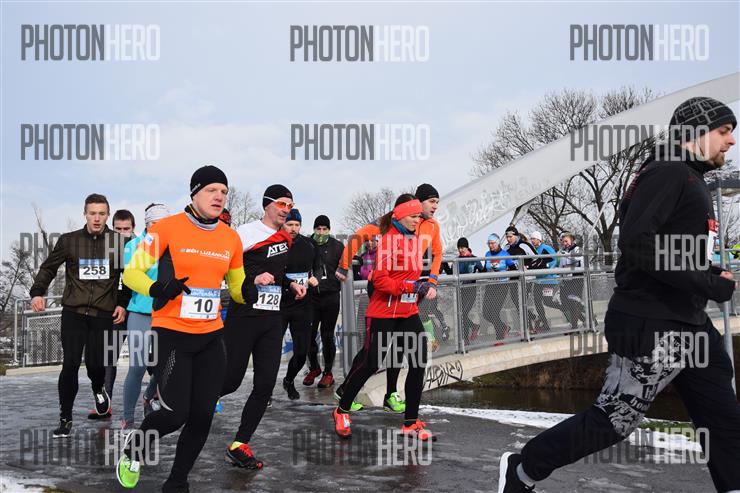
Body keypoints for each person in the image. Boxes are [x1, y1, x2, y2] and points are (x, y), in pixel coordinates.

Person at [497, 96, 739, 492]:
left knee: (723, 420)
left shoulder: (688, 177)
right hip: (652, 320)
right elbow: (638, 243)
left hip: (691, 323)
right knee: (614, 420)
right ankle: (523, 470)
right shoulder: (669, 172)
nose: (731, 141)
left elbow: (672, 251)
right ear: (695, 132)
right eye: (724, 131)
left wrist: (710, 273)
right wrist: (710, 284)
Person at [116, 166, 246, 492]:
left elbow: (237, 287)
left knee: (203, 416)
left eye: (224, 191)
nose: (219, 196)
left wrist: (249, 292)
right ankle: (134, 449)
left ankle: (177, 482)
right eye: (211, 190)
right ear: (195, 193)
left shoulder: (230, 237)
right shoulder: (167, 229)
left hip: (211, 336)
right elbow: (132, 273)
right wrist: (158, 288)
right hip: (172, 333)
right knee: (175, 414)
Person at [334, 184, 444, 413]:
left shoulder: (432, 226)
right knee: (374, 352)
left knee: (402, 346)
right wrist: (344, 266)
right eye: (431, 201)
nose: (435, 206)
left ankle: (391, 394)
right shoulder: (394, 224)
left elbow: (438, 253)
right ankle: (346, 390)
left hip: (411, 290)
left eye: (437, 202)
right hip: (385, 289)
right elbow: (356, 238)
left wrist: (432, 280)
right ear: (417, 203)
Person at [30, 194, 130, 438]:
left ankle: (98, 388)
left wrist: (122, 303)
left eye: (102, 214)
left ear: (107, 215)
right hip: (73, 312)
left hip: (102, 314)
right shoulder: (69, 240)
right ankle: (65, 418)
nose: (97, 218)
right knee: (71, 363)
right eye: (92, 213)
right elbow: (49, 267)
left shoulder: (119, 243)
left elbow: (127, 277)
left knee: (96, 365)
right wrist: (37, 292)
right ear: (85, 214)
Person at [220, 184, 306, 470]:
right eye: (281, 204)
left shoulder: (285, 238)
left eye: (290, 205)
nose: (286, 210)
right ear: (267, 204)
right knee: (231, 380)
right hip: (244, 316)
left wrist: (290, 285)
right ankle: (190, 401)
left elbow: (277, 274)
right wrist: (253, 280)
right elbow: (226, 270)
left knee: (265, 385)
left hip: (271, 319)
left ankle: (239, 444)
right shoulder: (245, 233)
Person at [119, 203, 170, 432]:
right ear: (148, 225)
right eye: (156, 224)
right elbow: (131, 278)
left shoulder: (174, 245)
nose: (161, 228)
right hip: (141, 312)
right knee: (138, 366)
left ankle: (149, 396)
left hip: (167, 313)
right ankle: (128, 419)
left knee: (165, 366)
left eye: (165, 224)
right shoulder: (134, 246)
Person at [92, 209, 137, 420]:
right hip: (114, 313)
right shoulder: (106, 248)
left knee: (149, 359)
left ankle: (154, 398)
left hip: (138, 310)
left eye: (126, 229)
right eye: (117, 229)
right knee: (108, 358)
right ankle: (105, 404)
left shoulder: (142, 248)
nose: (122, 233)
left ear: (133, 228)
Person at [280, 208, 319, 400]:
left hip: (303, 303)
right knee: (270, 351)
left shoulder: (309, 244)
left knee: (302, 352)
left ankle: (289, 380)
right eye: (290, 224)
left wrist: (315, 277)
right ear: (283, 224)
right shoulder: (276, 243)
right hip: (279, 303)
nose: (293, 228)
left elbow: (318, 267)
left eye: (297, 225)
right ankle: (263, 390)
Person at [303, 215, 343, 388]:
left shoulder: (337, 246)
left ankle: (328, 373)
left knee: (327, 335)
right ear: (313, 229)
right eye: (318, 229)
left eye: (324, 229)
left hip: (330, 296)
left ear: (329, 230)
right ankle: (314, 368)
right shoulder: (306, 244)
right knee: (308, 335)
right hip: (311, 296)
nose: (321, 232)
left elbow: (348, 262)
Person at [481, 233, 516, 341]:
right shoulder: (487, 254)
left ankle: (499, 336)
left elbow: (514, 269)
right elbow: (485, 269)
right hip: (490, 285)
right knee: (485, 313)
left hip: (502, 286)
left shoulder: (505, 254)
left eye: (492, 243)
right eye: (489, 243)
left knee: (494, 312)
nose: (490, 245)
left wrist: (511, 282)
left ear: (498, 243)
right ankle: (504, 327)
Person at [528, 231, 561, 333]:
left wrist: (547, 267)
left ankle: (565, 307)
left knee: (548, 301)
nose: (532, 241)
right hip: (538, 281)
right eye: (531, 239)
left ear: (539, 239)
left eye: (534, 239)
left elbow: (556, 259)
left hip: (548, 280)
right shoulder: (533, 251)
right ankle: (545, 323)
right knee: (537, 302)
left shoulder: (546, 248)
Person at [456, 237, 485, 345]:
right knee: (460, 314)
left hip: (471, 290)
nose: (460, 250)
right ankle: (474, 326)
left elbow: (483, 271)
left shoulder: (474, 259)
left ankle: (466, 340)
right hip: (461, 290)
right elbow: (451, 273)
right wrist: (444, 264)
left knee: (463, 314)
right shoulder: (457, 260)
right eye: (459, 248)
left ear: (467, 247)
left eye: (462, 247)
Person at [558, 231, 587, 330]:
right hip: (566, 281)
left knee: (574, 302)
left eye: (566, 241)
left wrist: (568, 264)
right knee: (566, 303)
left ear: (571, 240)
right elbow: (561, 266)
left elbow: (581, 264)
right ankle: (587, 319)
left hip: (576, 280)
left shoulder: (577, 249)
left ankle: (574, 326)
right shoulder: (563, 251)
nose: (564, 243)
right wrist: (560, 276)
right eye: (563, 241)